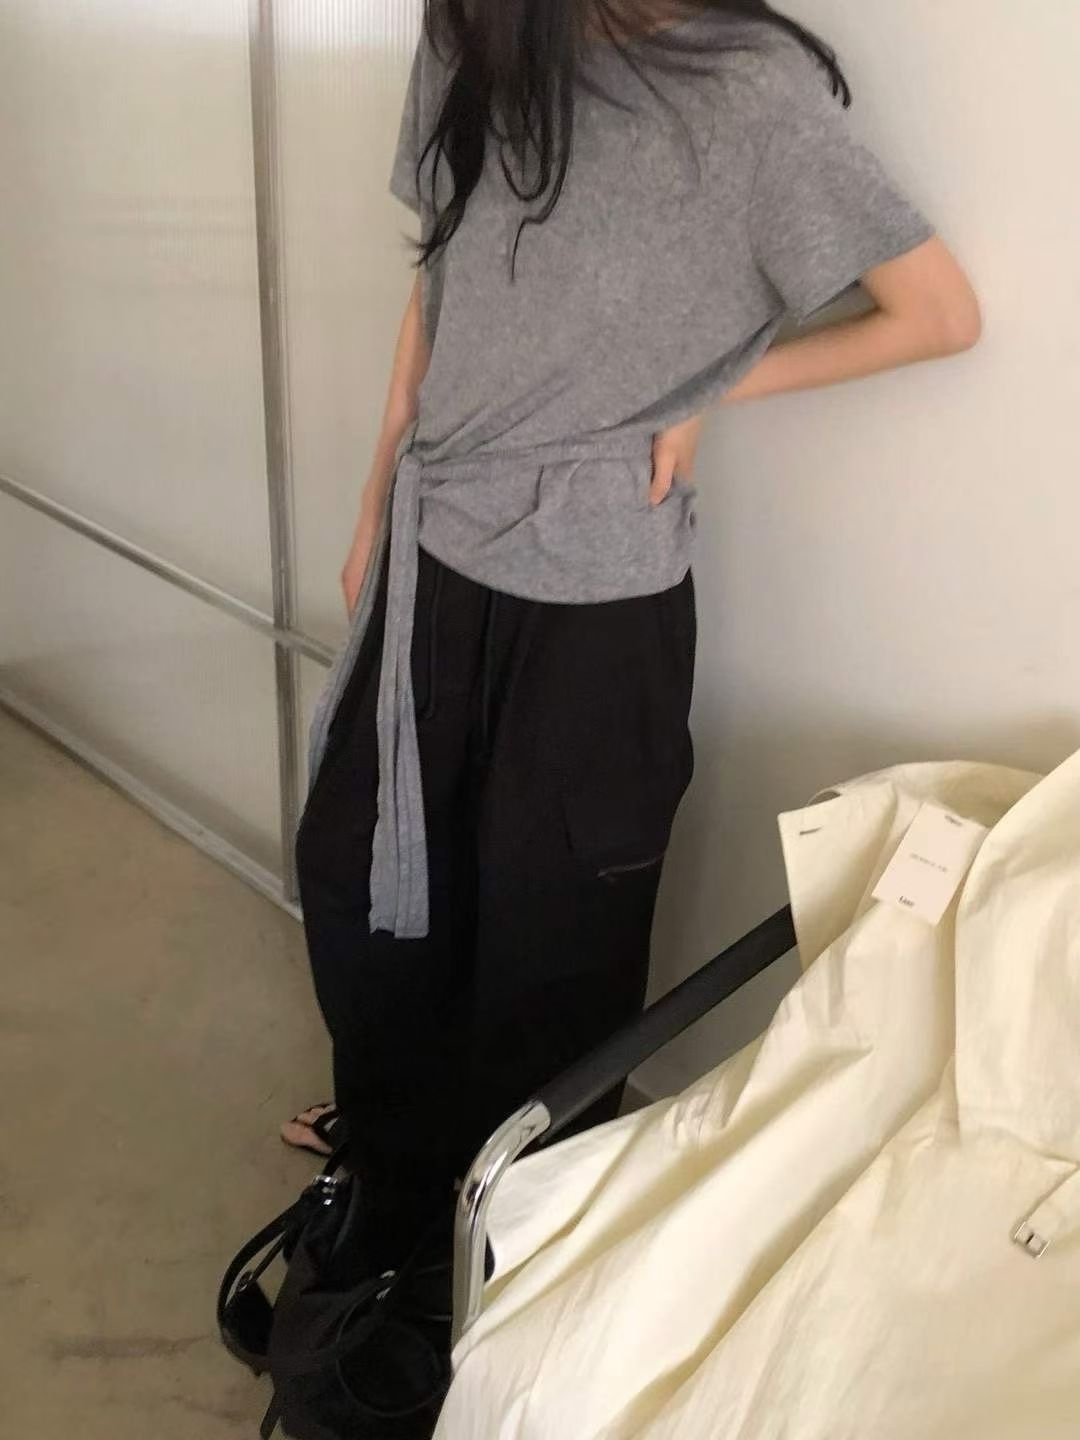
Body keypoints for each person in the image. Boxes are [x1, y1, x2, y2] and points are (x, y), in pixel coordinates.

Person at [287, 0, 980, 1270]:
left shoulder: (746, 89)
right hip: (433, 561)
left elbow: (935, 312)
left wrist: (707, 389)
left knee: (552, 966)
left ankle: (503, 1284)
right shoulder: (475, 35)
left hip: (597, 610)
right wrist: (378, 494)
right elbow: (439, 279)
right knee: (366, 900)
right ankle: (389, 1208)